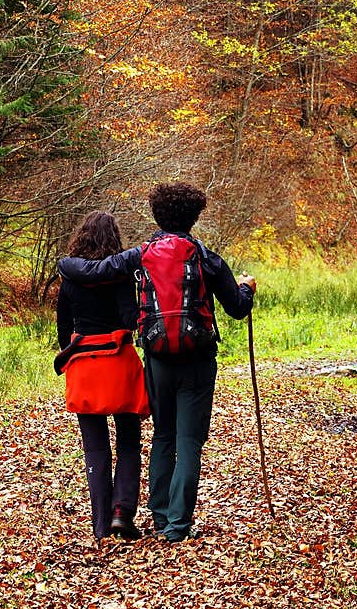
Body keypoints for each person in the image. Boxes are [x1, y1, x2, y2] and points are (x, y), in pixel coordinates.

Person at [58, 182, 256, 542]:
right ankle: (177, 526)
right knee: (189, 440)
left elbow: (94, 271)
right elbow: (237, 308)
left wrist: (63, 264)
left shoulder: (141, 254)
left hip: (158, 358)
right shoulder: (206, 257)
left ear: (156, 215)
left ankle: (161, 515)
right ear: (194, 217)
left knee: (163, 434)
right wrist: (247, 288)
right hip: (198, 358)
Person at [54, 211, 150, 542]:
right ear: (114, 240)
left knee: (95, 448)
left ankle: (99, 524)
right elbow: (130, 319)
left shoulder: (69, 278)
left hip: (83, 366)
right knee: (128, 442)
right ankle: (122, 513)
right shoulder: (121, 276)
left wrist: (74, 355)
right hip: (118, 364)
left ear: (81, 236)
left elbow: (64, 328)